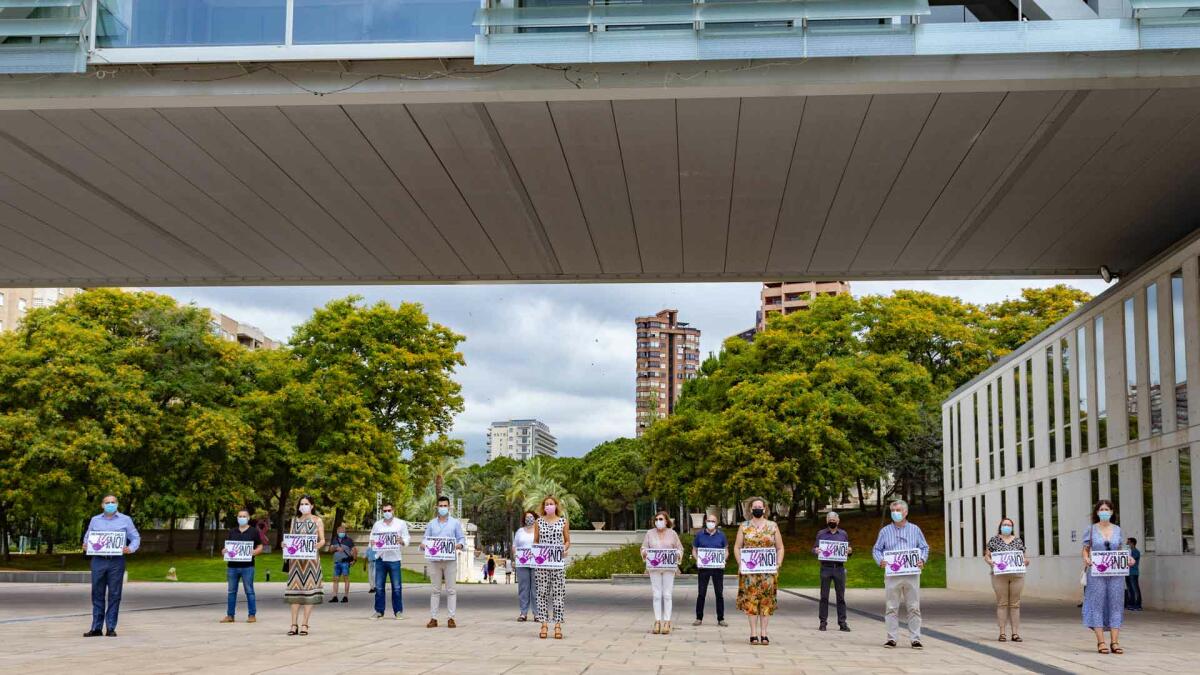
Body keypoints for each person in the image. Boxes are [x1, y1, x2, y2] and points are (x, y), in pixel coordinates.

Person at [872, 499, 929, 649]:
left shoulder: (915, 530)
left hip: (911, 573)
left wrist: (922, 559)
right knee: (891, 607)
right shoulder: (885, 531)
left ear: (906, 512)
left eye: (898, 510)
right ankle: (892, 638)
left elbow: (924, 547)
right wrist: (880, 560)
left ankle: (915, 639)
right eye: (893, 511)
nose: (895, 513)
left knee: (914, 607)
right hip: (892, 575)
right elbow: (876, 549)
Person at [83, 494, 141, 637]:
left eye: (113, 502)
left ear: (117, 504)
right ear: (102, 505)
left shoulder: (125, 520)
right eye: (107, 502)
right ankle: (96, 628)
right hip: (98, 560)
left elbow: (135, 537)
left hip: (116, 561)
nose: (110, 504)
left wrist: (131, 548)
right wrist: (85, 545)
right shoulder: (95, 520)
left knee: (115, 594)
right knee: (97, 593)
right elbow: (87, 537)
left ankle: (110, 627)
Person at [1083, 499, 1135, 654]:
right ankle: (1101, 642)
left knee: (1116, 604)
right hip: (1097, 572)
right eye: (1101, 509)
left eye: (1107, 509)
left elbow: (1121, 548)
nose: (1104, 512)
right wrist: (1086, 558)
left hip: (1115, 573)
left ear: (1112, 512)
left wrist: (1128, 557)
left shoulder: (1118, 529)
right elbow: (1085, 549)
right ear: (1097, 512)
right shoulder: (1091, 530)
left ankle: (1115, 641)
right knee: (1097, 604)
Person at [734, 498, 784, 646]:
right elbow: (737, 547)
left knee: (766, 601)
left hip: (767, 572)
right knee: (751, 601)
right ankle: (753, 633)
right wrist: (740, 563)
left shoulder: (772, 526)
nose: (757, 509)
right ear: (750, 509)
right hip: (749, 572)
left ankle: (764, 633)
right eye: (754, 506)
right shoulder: (744, 526)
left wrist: (778, 563)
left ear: (764, 509)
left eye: (759, 507)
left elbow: (780, 548)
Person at [421, 495, 465, 628]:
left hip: (450, 560)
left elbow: (461, 538)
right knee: (435, 590)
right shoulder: (431, 524)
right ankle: (433, 618)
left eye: (445, 506)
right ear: (437, 507)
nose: (443, 508)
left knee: (451, 590)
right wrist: (423, 545)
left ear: (449, 507)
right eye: (441, 506)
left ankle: (451, 618)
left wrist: (460, 545)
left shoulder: (455, 523)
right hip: (434, 560)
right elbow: (425, 539)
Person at [285, 495, 325, 636]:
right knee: (295, 593)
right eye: (301, 503)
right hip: (295, 563)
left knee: (309, 593)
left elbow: (322, 540)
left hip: (311, 562)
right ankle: (293, 624)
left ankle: (305, 624)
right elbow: (291, 537)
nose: (303, 506)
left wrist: (315, 546)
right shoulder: (294, 521)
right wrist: (286, 544)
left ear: (312, 505)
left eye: (306, 503)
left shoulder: (317, 520)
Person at [983, 517, 1027, 642]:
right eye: (1004, 524)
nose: (1007, 527)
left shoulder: (1018, 541)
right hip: (999, 575)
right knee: (1002, 603)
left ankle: (1015, 633)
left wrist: (1025, 561)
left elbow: (1024, 557)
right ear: (1000, 526)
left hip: (1017, 575)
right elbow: (987, 556)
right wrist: (991, 562)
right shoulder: (994, 540)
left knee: (1015, 604)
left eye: (1009, 525)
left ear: (1012, 527)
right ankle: (1002, 633)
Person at [535, 495, 571, 639]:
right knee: (542, 593)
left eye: (551, 503)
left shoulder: (563, 522)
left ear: (556, 506)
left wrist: (564, 549)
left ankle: (557, 625)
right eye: (546, 504)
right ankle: (543, 624)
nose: (549, 506)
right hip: (542, 564)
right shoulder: (539, 522)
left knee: (558, 593)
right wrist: (537, 553)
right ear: (543, 507)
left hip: (557, 563)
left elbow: (568, 541)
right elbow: (535, 541)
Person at [642, 510, 684, 636]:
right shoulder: (649, 533)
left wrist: (677, 555)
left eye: (661, 519)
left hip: (669, 568)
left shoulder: (672, 534)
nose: (658, 522)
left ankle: (667, 621)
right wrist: (644, 553)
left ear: (666, 521)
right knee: (656, 594)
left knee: (667, 594)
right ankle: (657, 621)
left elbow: (679, 548)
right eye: (656, 519)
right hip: (654, 568)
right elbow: (644, 547)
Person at [221, 509, 263, 623]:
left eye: (244, 516)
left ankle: (252, 615)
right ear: (237, 518)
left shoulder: (254, 531)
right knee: (231, 591)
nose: (242, 518)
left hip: (248, 566)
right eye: (240, 516)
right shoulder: (232, 531)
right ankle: (230, 615)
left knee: (249, 591)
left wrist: (255, 552)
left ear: (248, 518)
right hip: (232, 566)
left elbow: (260, 546)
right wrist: (224, 551)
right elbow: (228, 547)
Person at [370, 502, 411, 619]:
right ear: (382, 512)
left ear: (393, 510)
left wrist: (402, 541)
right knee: (379, 587)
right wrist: (373, 544)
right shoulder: (377, 525)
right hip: (380, 559)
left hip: (394, 559)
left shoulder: (401, 523)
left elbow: (407, 537)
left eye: (389, 510)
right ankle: (379, 611)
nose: (387, 513)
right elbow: (372, 538)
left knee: (397, 587)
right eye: (385, 511)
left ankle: (398, 611)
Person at [813, 511, 851, 632]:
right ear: (826, 520)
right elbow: (814, 548)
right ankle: (823, 622)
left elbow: (848, 549)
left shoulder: (843, 534)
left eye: (834, 519)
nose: (832, 521)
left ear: (838, 521)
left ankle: (842, 622)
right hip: (826, 568)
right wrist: (816, 550)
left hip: (839, 568)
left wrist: (849, 551)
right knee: (824, 596)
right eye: (830, 519)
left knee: (841, 597)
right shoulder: (821, 534)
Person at [692, 513, 728, 627]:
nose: (710, 523)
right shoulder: (699, 535)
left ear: (716, 523)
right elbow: (694, 550)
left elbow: (726, 550)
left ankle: (721, 618)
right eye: (708, 520)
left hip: (717, 568)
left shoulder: (722, 535)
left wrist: (724, 559)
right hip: (704, 568)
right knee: (701, 593)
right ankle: (698, 618)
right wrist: (698, 559)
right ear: (705, 521)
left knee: (719, 593)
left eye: (713, 521)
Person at [513, 510, 537, 622]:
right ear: (524, 519)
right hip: (522, 562)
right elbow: (514, 546)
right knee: (523, 587)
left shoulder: (539, 531)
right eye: (527, 517)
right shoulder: (520, 532)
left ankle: (537, 613)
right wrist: (515, 556)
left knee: (536, 588)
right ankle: (523, 613)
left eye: (531, 517)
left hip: (537, 562)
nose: (529, 519)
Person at [327, 525, 357, 603]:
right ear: (337, 532)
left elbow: (354, 550)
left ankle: (345, 596)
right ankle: (334, 596)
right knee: (335, 579)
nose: (341, 533)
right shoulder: (334, 539)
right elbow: (330, 550)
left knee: (346, 578)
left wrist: (354, 560)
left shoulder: (349, 540)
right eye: (340, 532)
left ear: (345, 532)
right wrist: (336, 548)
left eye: (343, 532)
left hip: (345, 562)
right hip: (336, 562)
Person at [1124, 537, 1142, 611]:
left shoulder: (1135, 551)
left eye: (1128, 543)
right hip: (1127, 572)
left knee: (1135, 589)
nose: (1127, 544)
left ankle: (1137, 605)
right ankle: (1131, 604)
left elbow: (1129, 560)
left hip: (1133, 572)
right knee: (1129, 589)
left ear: (1132, 543)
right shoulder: (1128, 551)